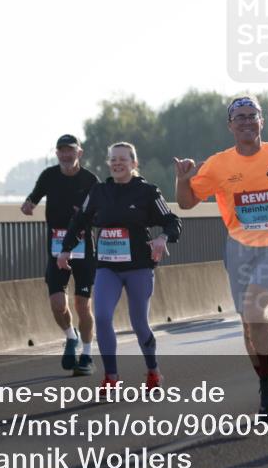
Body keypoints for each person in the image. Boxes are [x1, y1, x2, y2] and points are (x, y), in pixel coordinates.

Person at [174, 96, 268, 418]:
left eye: (251, 115)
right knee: (247, 323)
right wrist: (182, 178)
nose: (246, 121)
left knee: (254, 307)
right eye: (239, 117)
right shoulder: (218, 164)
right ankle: (266, 383)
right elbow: (187, 203)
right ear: (230, 126)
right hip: (239, 247)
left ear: (262, 121)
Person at [59, 142, 182, 390]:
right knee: (103, 317)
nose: (117, 163)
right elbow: (80, 220)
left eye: (123, 159)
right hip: (107, 267)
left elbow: (172, 221)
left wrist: (162, 237)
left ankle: (153, 371)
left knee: (139, 323)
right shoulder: (99, 191)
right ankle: (111, 377)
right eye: (113, 159)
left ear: (134, 164)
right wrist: (66, 248)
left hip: (138, 267)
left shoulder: (148, 192)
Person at [21, 134, 99, 376]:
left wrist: (86, 216)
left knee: (82, 305)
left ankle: (87, 354)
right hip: (56, 249)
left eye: (70, 150)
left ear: (79, 153)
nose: (66, 155)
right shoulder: (49, 176)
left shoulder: (90, 180)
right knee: (57, 303)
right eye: (61, 151)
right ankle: (70, 336)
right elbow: (31, 200)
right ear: (57, 154)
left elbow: (100, 214)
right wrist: (28, 206)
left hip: (83, 248)